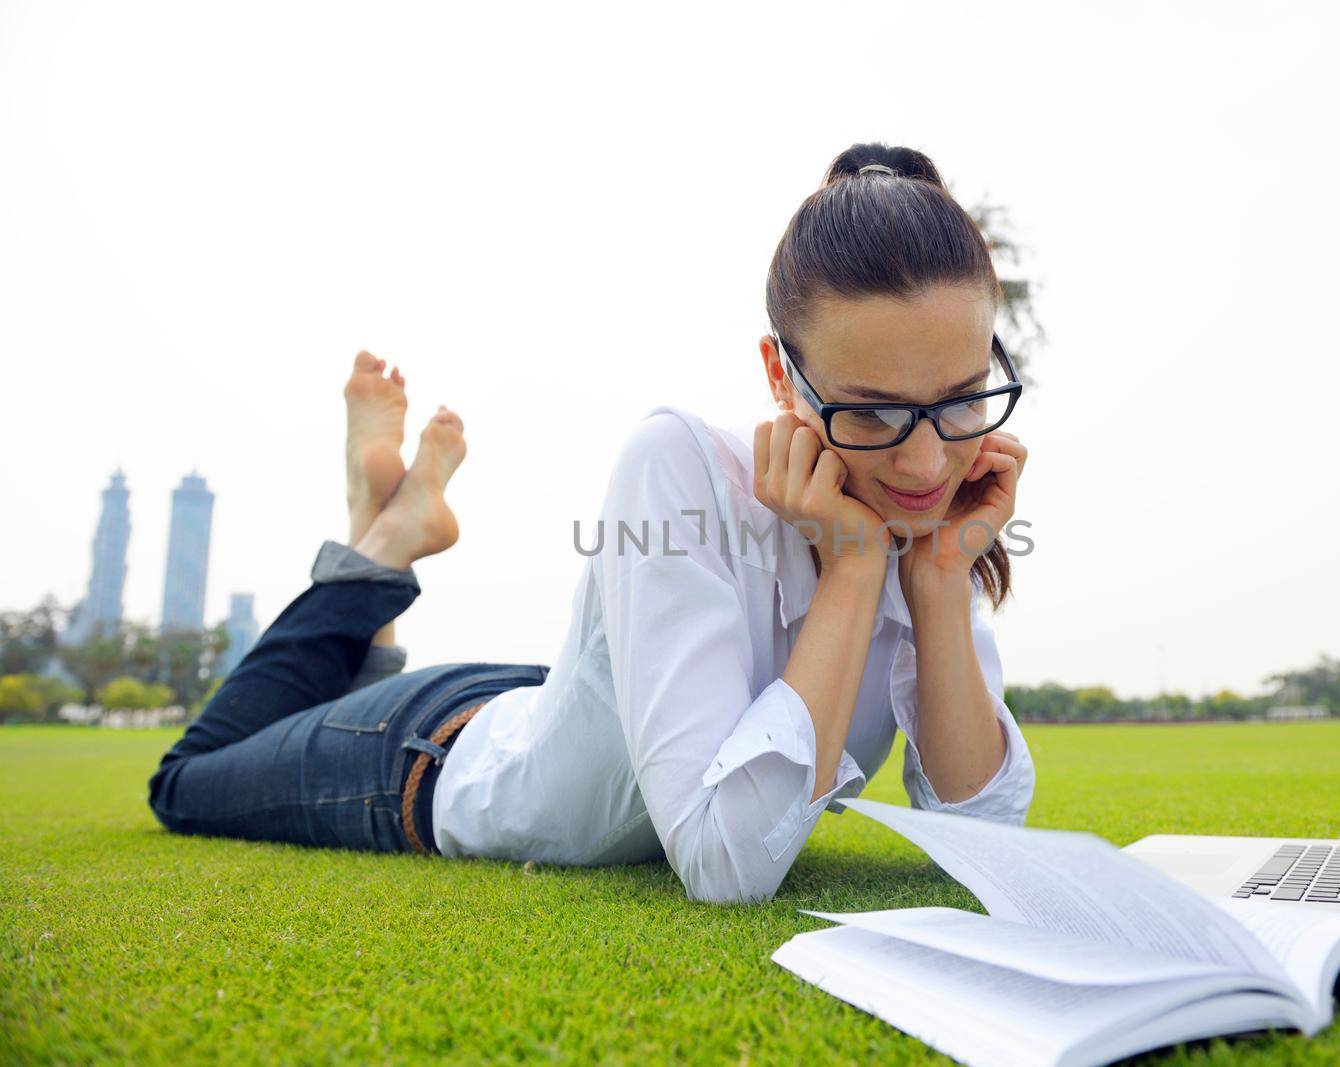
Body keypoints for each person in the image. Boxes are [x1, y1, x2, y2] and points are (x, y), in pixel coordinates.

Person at [147, 142, 1037, 904]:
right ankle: (377, 539)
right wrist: (851, 571)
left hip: (550, 700)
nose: (926, 467)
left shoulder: (929, 519)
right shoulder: (678, 465)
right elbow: (725, 866)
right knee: (187, 780)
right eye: (872, 415)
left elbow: (985, 840)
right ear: (780, 371)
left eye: (963, 401)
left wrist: (937, 575)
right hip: (424, 759)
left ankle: (385, 533)